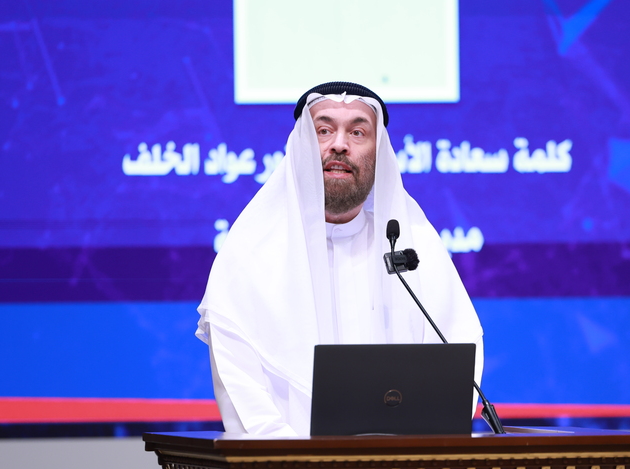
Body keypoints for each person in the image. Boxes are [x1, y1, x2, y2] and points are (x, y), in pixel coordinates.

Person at [196, 81, 483, 436]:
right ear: (300, 146)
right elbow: (244, 396)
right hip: (283, 466)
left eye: (358, 132)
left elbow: (457, 361)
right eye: (324, 130)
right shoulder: (247, 257)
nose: (339, 144)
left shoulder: (416, 250)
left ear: (379, 154)